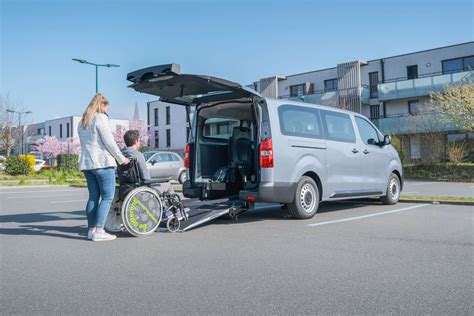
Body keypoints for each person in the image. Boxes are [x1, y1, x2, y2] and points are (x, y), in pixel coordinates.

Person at [78, 93, 130, 242]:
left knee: (93, 197)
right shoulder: (100, 118)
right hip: (102, 163)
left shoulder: (82, 122)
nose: (107, 110)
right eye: (107, 106)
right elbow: (109, 142)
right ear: (102, 105)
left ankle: (91, 230)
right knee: (107, 197)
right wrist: (122, 159)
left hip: (87, 164)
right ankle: (100, 231)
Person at [121, 129, 175, 194]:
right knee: (168, 185)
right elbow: (146, 177)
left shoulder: (120, 155)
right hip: (141, 189)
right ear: (136, 141)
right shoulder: (138, 155)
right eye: (139, 140)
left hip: (125, 189)